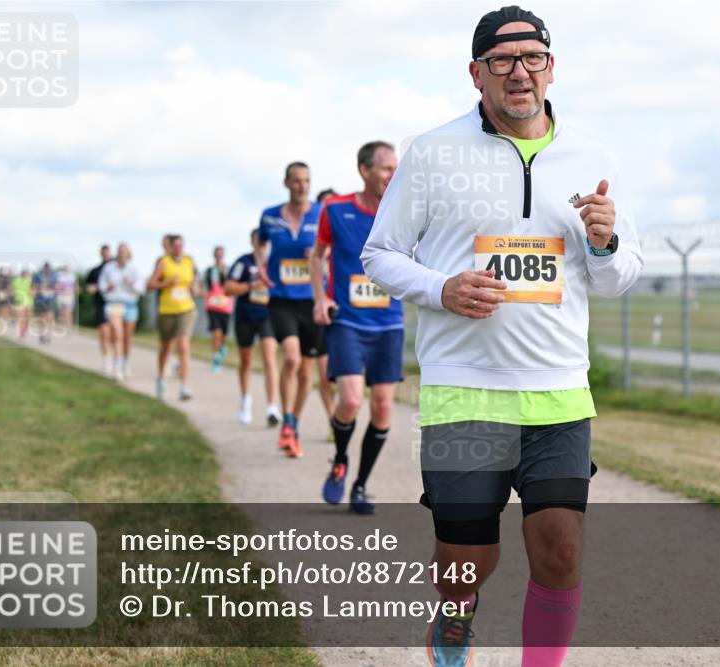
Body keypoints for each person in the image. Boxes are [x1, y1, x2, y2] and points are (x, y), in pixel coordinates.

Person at [362, 6, 643, 666]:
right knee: (465, 563)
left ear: (551, 67)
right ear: (477, 74)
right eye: (502, 60)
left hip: (558, 395)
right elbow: (380, 253)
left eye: (532, 58)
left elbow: (619, 277)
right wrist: (442, 287)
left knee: (560, 549)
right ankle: (455, 616)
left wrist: (605, 244)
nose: (519, 72)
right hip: (465, 393)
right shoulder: (434, 152)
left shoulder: (594, 159)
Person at [312, 141, 402, 515]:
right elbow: (316, 257)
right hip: (347, 320)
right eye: (386, 168)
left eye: (397, 168)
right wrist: (320, 298)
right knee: (349, 400)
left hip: (388, 322)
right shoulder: (334, 209)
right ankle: (339, 458)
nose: (393, 175)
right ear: (365, 170)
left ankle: (361, 485)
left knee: (382, 408)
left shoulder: (404, 212)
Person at [259, 161, 333, 458]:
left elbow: (334, 249)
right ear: (286, 183)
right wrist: (261, 265)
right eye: (297, 181)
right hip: (281, 298)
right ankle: (287, 419)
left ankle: (292, 423)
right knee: (290, 357)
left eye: (307, 181)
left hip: (311, 299)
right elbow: (260, 242)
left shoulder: (321, 213)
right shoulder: (269, 216)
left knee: (306, 371)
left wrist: (319, 255)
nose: (303, 186)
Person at [225, 230, 282, 426]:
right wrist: (252, 285)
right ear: (252, 242)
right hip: (245, 315)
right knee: (246, 360)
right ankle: (245, 400)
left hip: (267, 315)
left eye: (265, 241)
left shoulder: (275, 262)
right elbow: (228, 289)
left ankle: (272, 406)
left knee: (269, 357)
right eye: (258, 240)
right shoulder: (243, 262)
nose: (262, 244)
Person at [146, 234, 199, 401]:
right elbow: (150, 285)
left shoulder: (189, 262)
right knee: (166, 348)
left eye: (181, 246)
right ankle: (161, 378)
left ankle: (184, 386)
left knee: (183, 346)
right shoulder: (163, 263)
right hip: (167, 310)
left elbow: (194, 281)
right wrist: (166, 284)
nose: (178, 249)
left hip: (186, 309)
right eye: (175, 246)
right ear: (170, 246)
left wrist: (195, 287)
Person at [98, 243, 143, 381]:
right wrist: (107, 287)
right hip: (114, 303)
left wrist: (131, 283)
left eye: (125, 252)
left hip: (130, 304)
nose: (122, 254)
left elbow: (141, 288)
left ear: (128, 254)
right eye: (120, 252)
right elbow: (102, 285)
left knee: (127, 337)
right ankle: (117, 367)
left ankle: (125, 363)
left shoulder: (134, 269)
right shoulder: (109, 268)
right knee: (118, 334)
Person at [203, 245, 233, 372]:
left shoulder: (229, 270)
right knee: (216, 332)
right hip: (212, 305)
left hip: (225, 306)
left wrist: (224, 274)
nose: (219, 257)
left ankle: (222, 348)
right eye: (217, 254)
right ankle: (216, 360)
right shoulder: (209, 271)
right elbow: (204, 286)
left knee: (224, 335)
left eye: (221, 254)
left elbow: (232, 284)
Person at [85, 245, 114, 374]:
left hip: (115, 303)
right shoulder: (96, 270)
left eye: (108, 252)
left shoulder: (116, 269)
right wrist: (93, 288)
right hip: (100, 303)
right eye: (104, 253)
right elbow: (88, 286)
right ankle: (105, 358)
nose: (106, 255)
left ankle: (116, 357)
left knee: (114, 333)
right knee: (104, 332)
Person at [32, 262, 57, 344]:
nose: (47, 270)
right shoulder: (38, 275)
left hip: (50, 298)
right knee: (42, 317)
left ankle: (48, 334)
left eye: (48, 268)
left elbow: (57, 286)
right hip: (41, 298)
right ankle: (42, 334)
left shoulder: (54, 275)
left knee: (49, 315)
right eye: (45, 268)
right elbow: (34, 286)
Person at [11, 269, 32, 337]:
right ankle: (21, 331)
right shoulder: (16, 281)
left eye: (25, 274)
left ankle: (26, 329)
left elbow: (33, 290)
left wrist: (32, 292)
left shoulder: (29, 281)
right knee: (21, 317)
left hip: (29, 301)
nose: (24, 275)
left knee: (28, 317)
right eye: (23, 274)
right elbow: (12, 289)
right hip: (19, 301)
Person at [55, 265, 77, 330]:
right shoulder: (60, 276)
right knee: (61, 312)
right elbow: (57, 286)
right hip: (61, 296)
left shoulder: (72, 276)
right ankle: (62, 326)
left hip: (69, 296)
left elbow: (75, 286)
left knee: (68, 312)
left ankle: (69, 326)